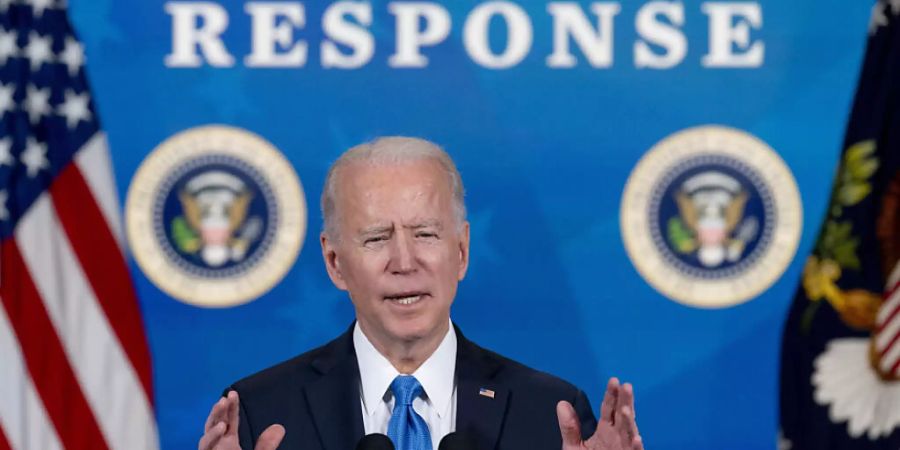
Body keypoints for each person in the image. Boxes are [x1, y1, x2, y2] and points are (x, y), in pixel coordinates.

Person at [198, 137, 644, 450]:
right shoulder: (262, 411)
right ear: (335, 263)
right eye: (375, 238)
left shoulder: (551, 412)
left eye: (426, 235)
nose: (405, 261)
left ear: (462, 251)